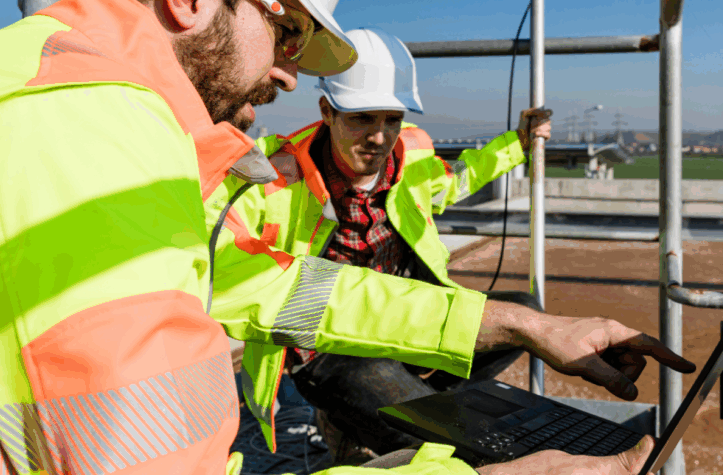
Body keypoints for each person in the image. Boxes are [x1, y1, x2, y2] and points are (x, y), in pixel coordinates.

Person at [0, 0, 691, 475]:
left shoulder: (56, 94)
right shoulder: (86, 130)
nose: (289, 71)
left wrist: (523, 321)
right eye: (287, 30)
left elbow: (278, 285)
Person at [217, 27, 550, 458]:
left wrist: (517, 145)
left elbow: (452, 182)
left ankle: (380, 410)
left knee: (523, 315)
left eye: (391, 119)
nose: (378, 137)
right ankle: (378, 416)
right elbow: (222, 249)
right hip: (329, 346)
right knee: (437, 439)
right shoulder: (273, 176)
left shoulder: (410, 156)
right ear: (327, 111)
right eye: (361, 118)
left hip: (404, 320)